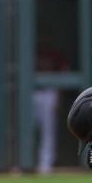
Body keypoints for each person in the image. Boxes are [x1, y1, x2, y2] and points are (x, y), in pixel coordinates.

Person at [32, 45, 68, 174]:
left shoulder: (55, 53)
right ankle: (27, 163)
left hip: (49, 91)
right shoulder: (28, 49)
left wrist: (59, 98)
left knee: (48, 131)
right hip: (31, 91)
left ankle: (45, 164)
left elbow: (64, 74)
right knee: (28, 130)